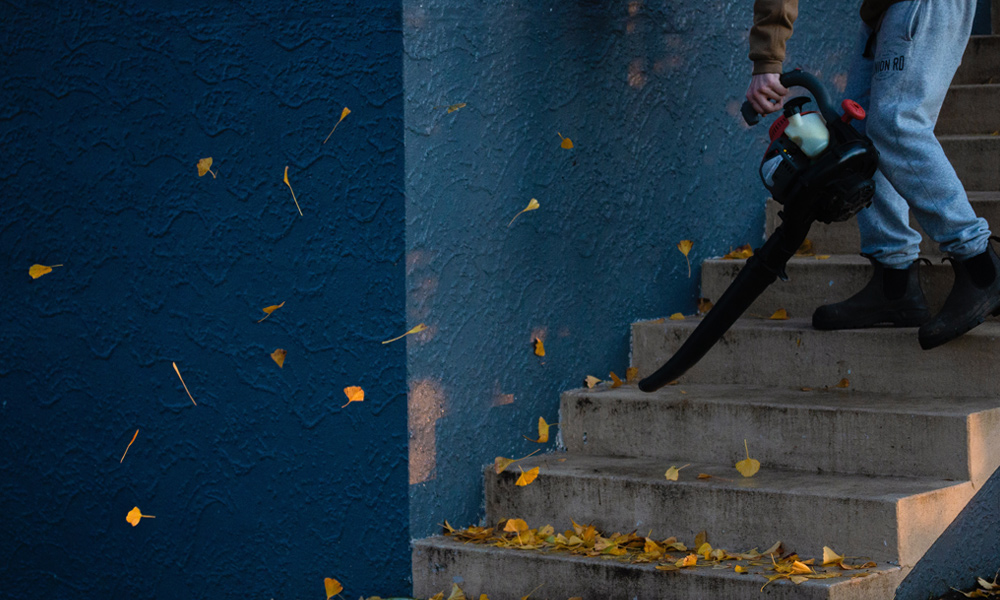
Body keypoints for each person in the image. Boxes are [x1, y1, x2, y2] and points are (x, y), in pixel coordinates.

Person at [745, 0, 999, 349]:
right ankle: (895, 284)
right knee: (858, 136)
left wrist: (767, 58)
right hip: (884, 12)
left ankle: (980, 266)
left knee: (896, 125)